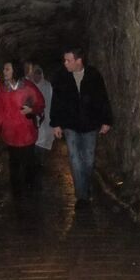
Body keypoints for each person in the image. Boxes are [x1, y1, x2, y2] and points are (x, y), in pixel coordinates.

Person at [50, 47, 113, 205]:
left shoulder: (93, 75)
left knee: (89, 160)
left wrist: (106, 120)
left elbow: (102, 98)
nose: (65, 63)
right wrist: (56, 123)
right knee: (75, 158)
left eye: (68, 60)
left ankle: (84, 186)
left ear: (79, 61)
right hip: (70, 124)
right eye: (64, 60)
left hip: (90, 124)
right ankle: (82, 196)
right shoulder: (61, 77)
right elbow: (56, 101)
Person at [0, 60, 45, 194]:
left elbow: (40, 103)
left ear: (15, 70)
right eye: (4, 69)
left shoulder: (28, 87)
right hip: (11, 134)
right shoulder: (0, 91)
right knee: (14, 164)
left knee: (29, 163)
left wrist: (32, 110)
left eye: (7, 69)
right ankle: (18, 194)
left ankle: (31, 191)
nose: (4, 72)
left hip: (27, 133)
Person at [29, 64, 55, 186]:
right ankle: (34, 165)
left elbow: (51, 102)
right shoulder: (29, 86)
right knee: (34, 142)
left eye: (39, 73)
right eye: (35, 73)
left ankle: (39, 163)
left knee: (43, 142)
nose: (37, 76)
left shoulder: (47, 86)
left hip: (45, 120)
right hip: (33, 119)